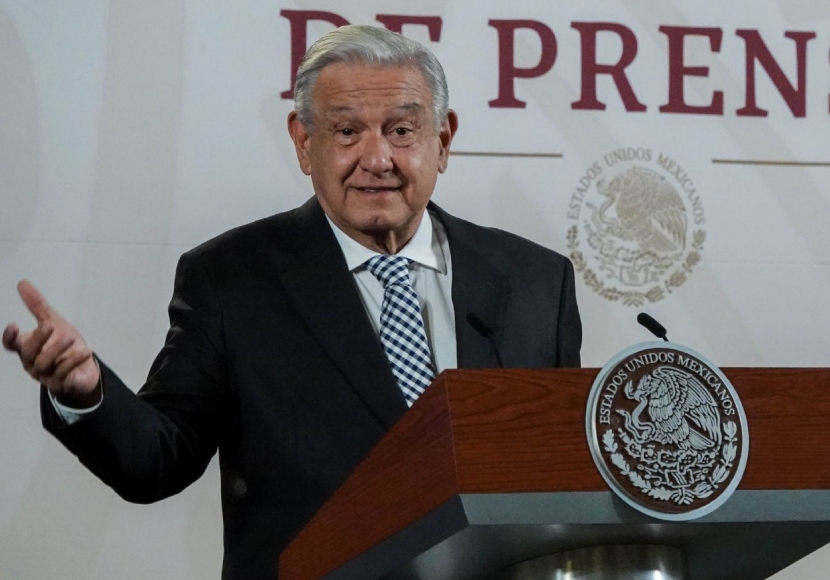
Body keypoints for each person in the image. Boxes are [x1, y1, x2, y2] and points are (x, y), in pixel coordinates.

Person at [2, 25, 581, 579]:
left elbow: (565, 482)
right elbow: (157, 460)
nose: (377, 159)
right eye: (347, 132)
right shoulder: (230, 279)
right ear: (305, 143)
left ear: (444, 140)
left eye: (402, 131)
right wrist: (85, 393)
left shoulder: (536, 281)